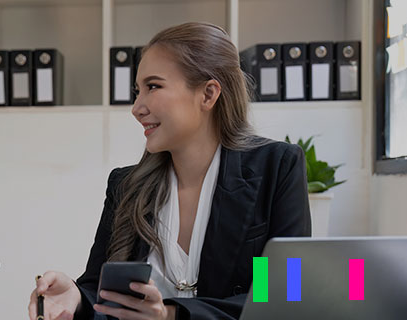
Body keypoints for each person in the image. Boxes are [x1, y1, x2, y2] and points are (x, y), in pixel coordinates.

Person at [28, 22, 311, 320]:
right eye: (138, 91)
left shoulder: (276, 167)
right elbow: (99, 289)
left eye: (153, 87)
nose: (137, 107)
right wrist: (76, 298)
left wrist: (172, 314)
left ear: (208, 94)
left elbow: (286, 293)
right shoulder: (125, 185)